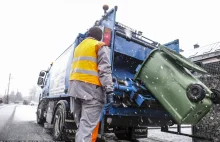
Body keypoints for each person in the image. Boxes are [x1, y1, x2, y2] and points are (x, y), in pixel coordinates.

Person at [69, 26, 114, 142]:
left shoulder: (79, 47)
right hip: (91, 92)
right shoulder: (99, 46)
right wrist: (109, 90)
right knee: (85, 130)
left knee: (82, 128)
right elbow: (104, 70)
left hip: (75, 91)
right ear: (99, 37)